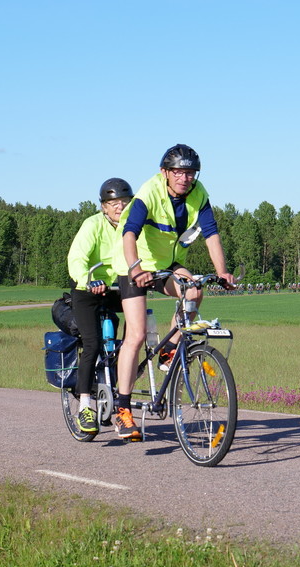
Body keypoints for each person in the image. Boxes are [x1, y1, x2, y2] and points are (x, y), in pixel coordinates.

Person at [110, 144, 234, 441]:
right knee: (137, 335)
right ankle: (121, 408)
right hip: (134, 264)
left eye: (190, 172)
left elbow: (211, 233)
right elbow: (129, 233)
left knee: (193, 290)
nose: (185, 178)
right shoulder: (149, 192)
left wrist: (222, 271)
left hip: (165, 264)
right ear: (165, 172)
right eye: (178, 171)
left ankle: (169, 347)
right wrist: (136, 268)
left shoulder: (198, 193)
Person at [65, 178, 131, 434]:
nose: (119, 207)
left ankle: (124, 365)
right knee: (92, 344)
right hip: (88, 290)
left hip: (118, 288)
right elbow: (77, 257)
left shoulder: (132, 226)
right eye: (113, 203)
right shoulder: (92, 225)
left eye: (124, 202)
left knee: (136, 330)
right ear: (103, 207)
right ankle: (84, 408)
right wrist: (88, 279)